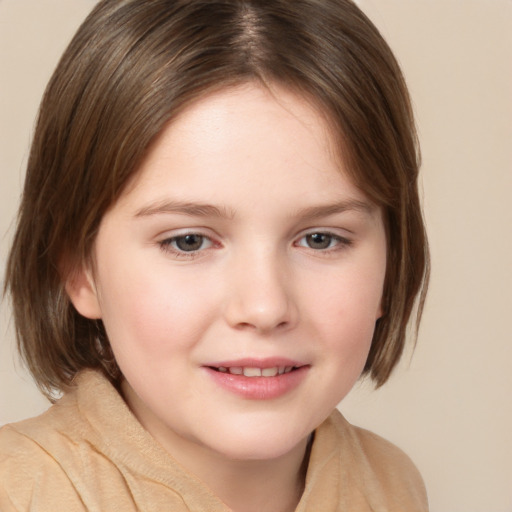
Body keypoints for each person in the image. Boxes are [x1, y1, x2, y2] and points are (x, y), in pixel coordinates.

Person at [0, 0, 430, 510]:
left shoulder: (390, 484)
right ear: (80, 271)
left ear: (391, 261)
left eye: (320, 239)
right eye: (188, 241)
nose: (265, 307)